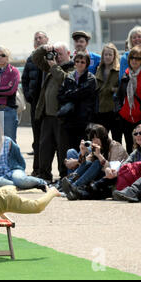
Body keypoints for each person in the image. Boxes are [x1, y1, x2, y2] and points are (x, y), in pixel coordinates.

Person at [33, 42, 74, 182]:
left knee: (63, 148)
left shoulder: (72, 68)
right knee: (44, 148)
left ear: (69, 54)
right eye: (56, 54)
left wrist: (54, 66)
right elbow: (35, 59)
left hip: (61, 117)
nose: (58, 57)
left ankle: (64, 176)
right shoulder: (52, 65)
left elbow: (65, 80)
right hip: (47, 116)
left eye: (60, 54)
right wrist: (44, 49)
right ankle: (44, 175)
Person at [60, 124, 128, 200]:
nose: (94, 141)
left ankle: (74, 186)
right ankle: (70, 182)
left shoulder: (115, 147)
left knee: (97, 163)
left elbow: (112, 170)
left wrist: (99, 155)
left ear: (103, 137)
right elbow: (86, 163)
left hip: (113, 179)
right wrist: (82, 154)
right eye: (92, 139)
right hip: (102, 176)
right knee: (72, 152)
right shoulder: (97, 147)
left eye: (96, 138)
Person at [0, 118, 47, 191]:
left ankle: (42, 182)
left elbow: (19, 159)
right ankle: (22, 186)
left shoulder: (7, 141)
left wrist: (19, 168)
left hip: (13, 170)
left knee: (20, 180)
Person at [57, 51, 98, 150]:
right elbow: (60, 96)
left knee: (84, 149)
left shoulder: (91, 78)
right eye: (77, 61)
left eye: (82, 62)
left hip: (84, 120)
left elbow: (82, 94)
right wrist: (72, 93)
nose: (79, 64)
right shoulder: (69, 77)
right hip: (70, 119)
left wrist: (69, 93)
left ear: (87, 64)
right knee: (70, 148)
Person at [21, 31, 49, 176]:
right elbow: (24, 79)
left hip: (50, 105)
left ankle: (47, 170)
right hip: (35, 104)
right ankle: (37, 169)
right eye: (36, 38)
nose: (38, 40)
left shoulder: (52, 57)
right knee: (37, 138)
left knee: (50, 139)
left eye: (41, 38)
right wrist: (28, 96)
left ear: (47, 40)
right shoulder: (31, 59)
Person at [93, 43, 121, 142]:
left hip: (114, 110)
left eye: (110, 54)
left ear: (114, 56)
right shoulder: (98, 70)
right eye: (106, 54)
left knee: (116, 138)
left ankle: (117, 157)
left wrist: (114, 89)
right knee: (101, 139)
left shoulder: (118, 70)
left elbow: (121, 88)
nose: (108, 57)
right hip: (100, 110)